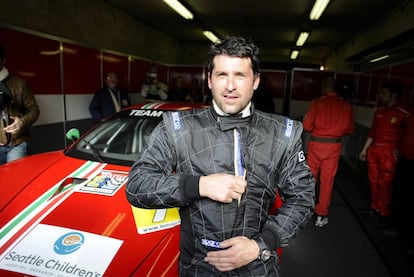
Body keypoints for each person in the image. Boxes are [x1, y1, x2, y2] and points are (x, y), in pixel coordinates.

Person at [126, 36, 315, 276]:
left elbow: (303, 197)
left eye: (240, 75)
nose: (230, 86)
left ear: (255, 81)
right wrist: (199, 184)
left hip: (257, 266)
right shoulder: (177, 127)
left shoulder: (282, 133)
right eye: (222, 75)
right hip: (198, 266)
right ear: (209, 80)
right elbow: (137, 186)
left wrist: (261, 244)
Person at [302, 78, 354, 227]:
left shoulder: (317, 103)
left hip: (316, 145)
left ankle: (305, 209)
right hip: (333, 147)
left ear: (325, 88)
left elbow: (306, 126)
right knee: (327, 181)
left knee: (311, 177)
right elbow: (349, 129)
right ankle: (321, 215)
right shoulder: (346, 106)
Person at [359, 81, 408, 225]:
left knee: (385, 183)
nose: (381, 96)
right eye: (381, 93)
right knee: (373, 180)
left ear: (394, 95)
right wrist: (364, 149)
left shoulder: (403, 113)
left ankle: (384, 211)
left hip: (389, 152)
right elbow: (372, 131)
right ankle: (374, 208)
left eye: (384, 93)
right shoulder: (379, 112)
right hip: (375, 149)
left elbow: (407, 135)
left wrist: (400, 150)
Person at [0, 44, 40, 165]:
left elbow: (34, 110)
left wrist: (22, 122)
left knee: (16, 179)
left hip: (17, 143)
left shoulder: (20, 84)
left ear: (3, 60)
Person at [388, 110, 413, 253]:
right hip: (405, 160)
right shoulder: (408, 116)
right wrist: (398, 147)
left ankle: (409, 239)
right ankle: (398, 228)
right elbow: (401, 133)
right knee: (400, 193)